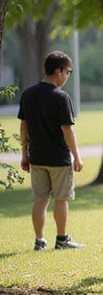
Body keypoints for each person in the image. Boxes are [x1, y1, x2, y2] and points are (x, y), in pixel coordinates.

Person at [18, 50, 85, 250]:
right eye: (68, 72)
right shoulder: (61, 97)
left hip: (37, 157)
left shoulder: (28, 94)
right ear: (59, 71)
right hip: (59, 158)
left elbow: (23, 127)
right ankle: (62, 239)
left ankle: (39, 241)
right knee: (61, 199)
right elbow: (67, 130)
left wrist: (25, 154)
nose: (67, 77)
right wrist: (77, 156)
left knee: (40, 200)